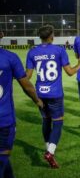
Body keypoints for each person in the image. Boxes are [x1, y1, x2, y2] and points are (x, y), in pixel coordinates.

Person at [25, 25, 80, 168]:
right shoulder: (59, 50)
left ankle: (48, 149)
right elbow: (70, 72)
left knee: (46, 121)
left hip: (40, 93)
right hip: (55, 94)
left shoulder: (32, 52)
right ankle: (50, 153)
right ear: (52, 36)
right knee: (58, 123)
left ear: (40, 37)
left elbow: (27, 76)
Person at [0, 48, 43, 177]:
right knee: (1, 160)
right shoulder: (10, 57)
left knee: (3, 162)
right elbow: (26, 85)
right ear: (1, 34)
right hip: (4, 121)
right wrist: (37, 100)